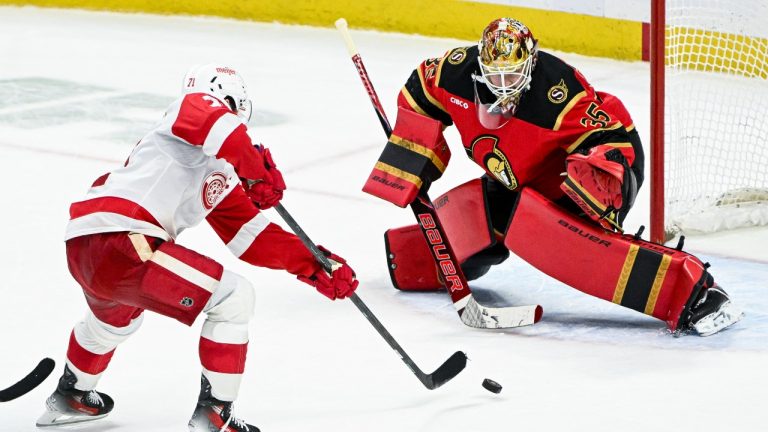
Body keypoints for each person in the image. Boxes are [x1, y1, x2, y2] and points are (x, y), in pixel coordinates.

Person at [364, 18, 742, 336]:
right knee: (485, 213)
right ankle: (414, 259)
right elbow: (420, 90)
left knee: (544, 231)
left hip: (586, 169)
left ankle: (693, 294)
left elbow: (611, 133)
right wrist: (413, 155)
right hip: (521, 176)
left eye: (512, 74)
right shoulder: (455, 72)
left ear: (529, 64)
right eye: (495, 74)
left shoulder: (558, 92)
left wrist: (604, 176)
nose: (504, 85)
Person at [36, 64, 358, 431]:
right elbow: (218, 124)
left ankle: (73, 393)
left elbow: (251, 237)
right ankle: (215, 417)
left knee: (114, 320)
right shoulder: (188, 112)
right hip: (124, 239)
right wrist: (254, 168)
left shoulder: (214, 166)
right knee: (234, 298)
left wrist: (314, 263)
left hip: (88, 244)